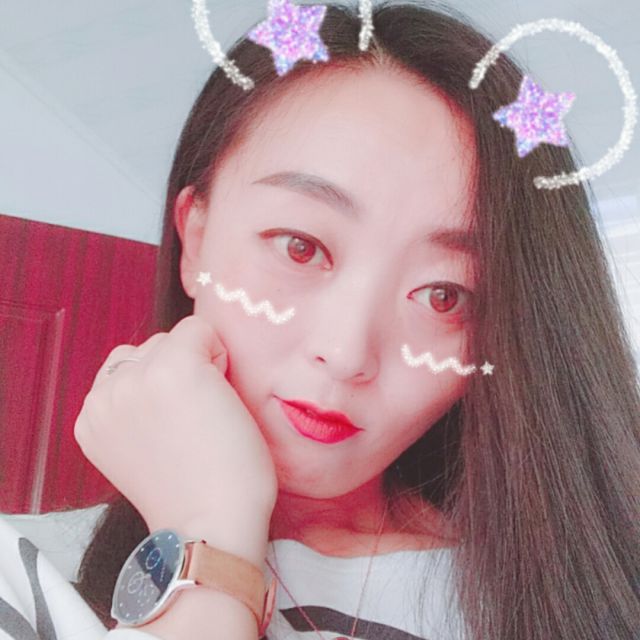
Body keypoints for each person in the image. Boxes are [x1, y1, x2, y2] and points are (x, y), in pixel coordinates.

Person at [2, 1, 639, 639]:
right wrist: (207, 534)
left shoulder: (583, 597)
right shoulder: (25, 578)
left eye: (444, 295)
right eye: (301, 248)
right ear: (194, 239)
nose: (346, 353)